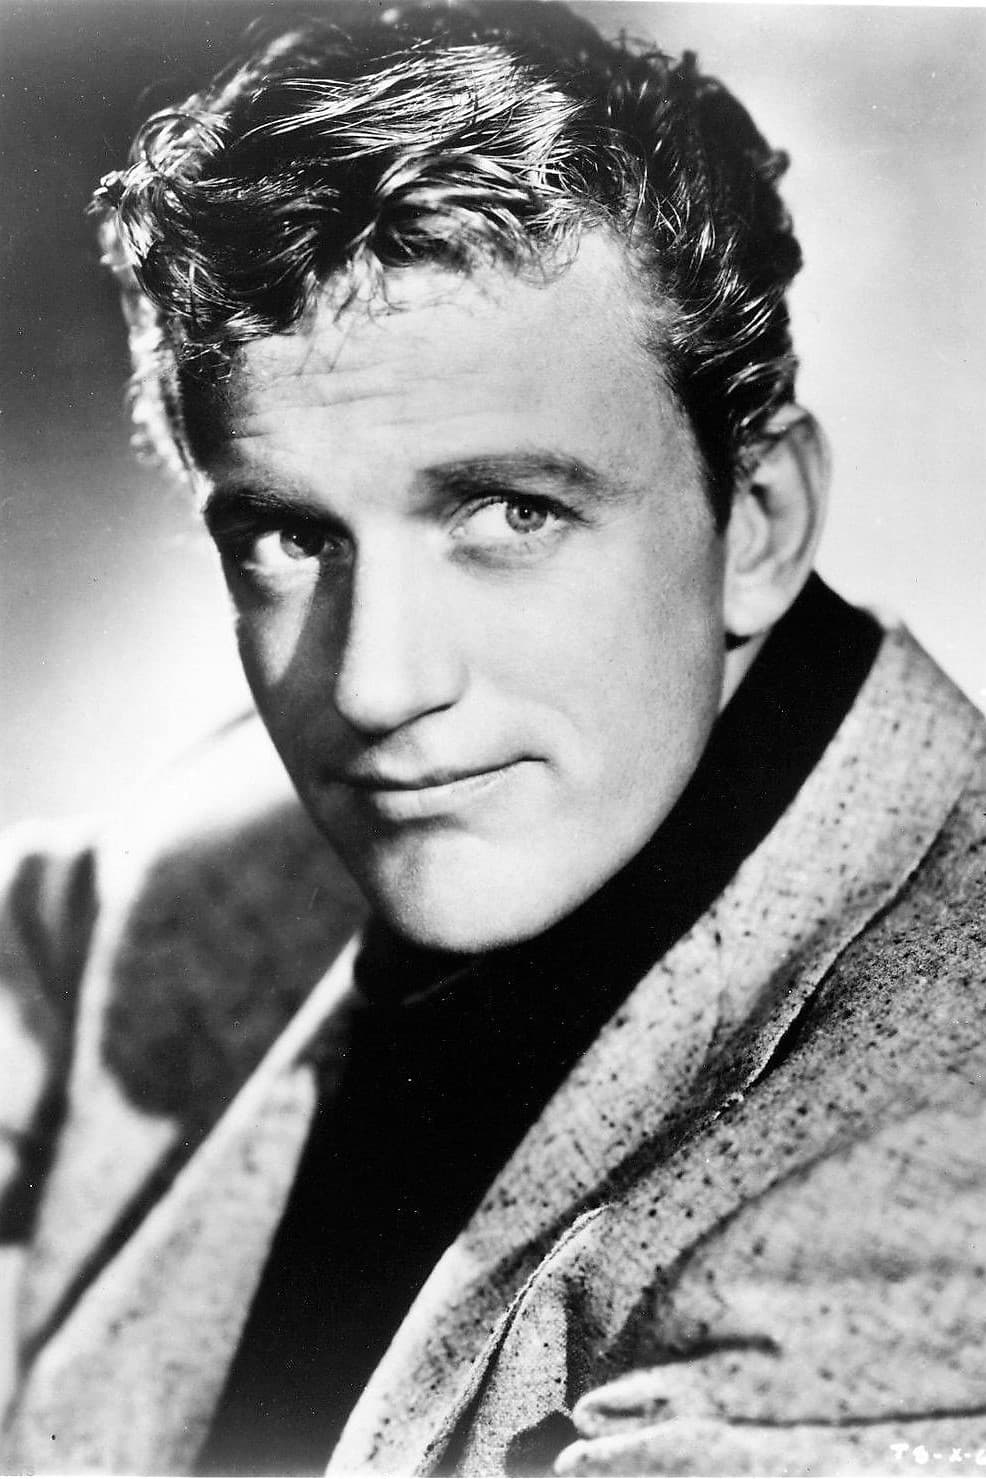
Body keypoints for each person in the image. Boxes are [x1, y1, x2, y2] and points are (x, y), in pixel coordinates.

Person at [1, 3, 984, 1474]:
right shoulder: (206, 872)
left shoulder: (925, 1214)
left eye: (513, 513)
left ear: (761, 523)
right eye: (290, 537)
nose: (376, 689)